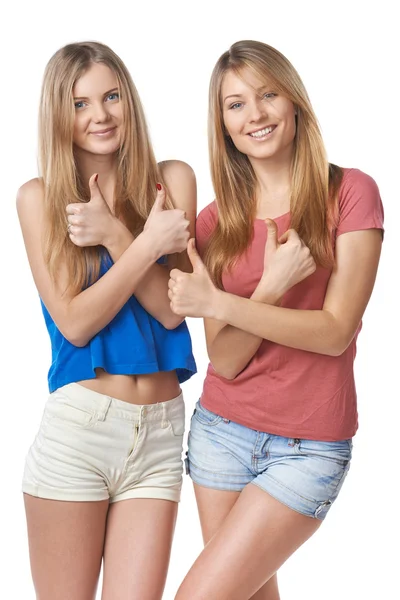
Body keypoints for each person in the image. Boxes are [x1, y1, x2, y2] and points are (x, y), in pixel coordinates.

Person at [168, 40, 384, 600]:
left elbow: (336, 332)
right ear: (223, 124)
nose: (255, 114)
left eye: (267, 95)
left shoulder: (350, 194)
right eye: (235, 104)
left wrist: (221, 304)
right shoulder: (217, 223)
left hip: (308, 446)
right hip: (222, 434)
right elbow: (228, 360)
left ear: (293, 103)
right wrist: (272, 284)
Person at [17, 41, 197, 600]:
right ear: (58, 114)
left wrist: (117, 235)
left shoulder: (172, 180)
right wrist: (147, 248)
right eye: (80, 103)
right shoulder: (39, 198)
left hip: (162, 434)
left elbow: (172, 309)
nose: (100, 115)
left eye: (112, 96)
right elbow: (74, 324)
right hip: (81, 433)